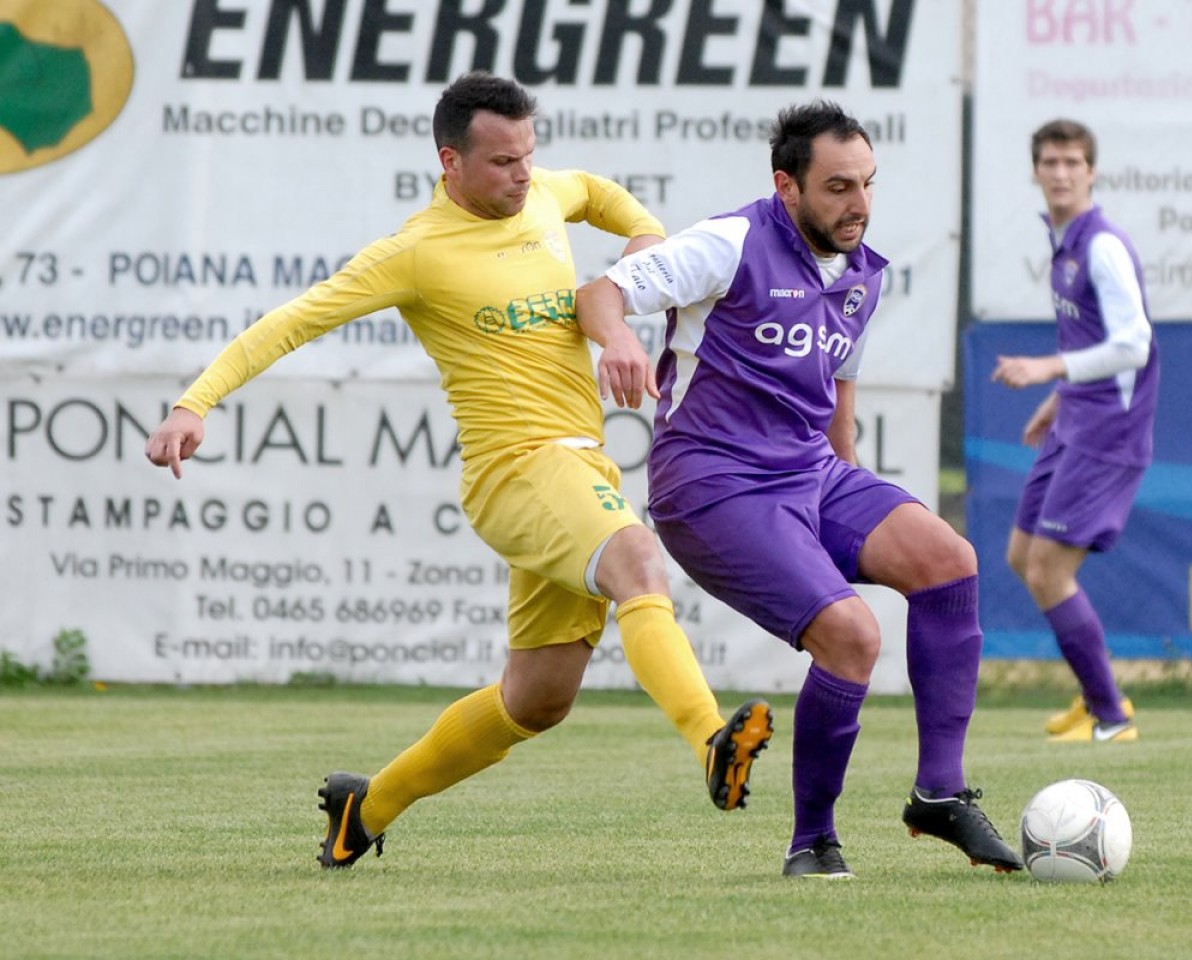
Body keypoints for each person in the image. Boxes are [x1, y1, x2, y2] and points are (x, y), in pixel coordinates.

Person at [144, 72, 772, 869]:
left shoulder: (542, 195)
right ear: (452, 161)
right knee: (638, 562)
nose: (523, 175)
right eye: (503, 162)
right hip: (516, 471)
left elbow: (602, 194)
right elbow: (292, 323)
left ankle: (364, 808)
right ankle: (711, 742)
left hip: (578, 468)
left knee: (536, 703)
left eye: (528, 156)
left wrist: (647, 240)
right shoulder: (417, 251)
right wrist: (193, 404)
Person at [576, 100, 1021, 880]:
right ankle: (812, 841)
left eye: (868, 185)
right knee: (852, 637)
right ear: (787, 185)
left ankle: (939, 794)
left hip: (808, 472)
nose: (859, 206)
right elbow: (599, 294)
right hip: (712, 482)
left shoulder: (859, 274)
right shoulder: (731, 242)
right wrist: (617, 340)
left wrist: (849, 496)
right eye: (838, 188)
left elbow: (837, 401)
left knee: (948, 560)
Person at [990, 118, 1159, 742]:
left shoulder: (1102, 245)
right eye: (1050, 162)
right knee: (1021, 556)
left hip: (1109, 434)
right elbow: (1094, 339)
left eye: (1072, 163)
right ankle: (1097, 697)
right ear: (1036, 170)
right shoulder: (1064, 243)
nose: (1060, 173)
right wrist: (1060, 400)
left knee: (1047, 571)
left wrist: (1049, 369)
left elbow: (1134, 345)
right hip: (1077, 420)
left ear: (1092, 172)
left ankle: (1112, 715)